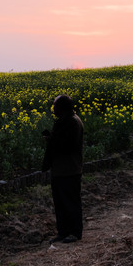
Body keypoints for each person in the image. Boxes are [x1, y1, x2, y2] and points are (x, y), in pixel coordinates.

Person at [42, 94, 84, 244]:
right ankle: (63, 231)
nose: (53, 109)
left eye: (55, 106)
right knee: (60, 203)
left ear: (62, 107)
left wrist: (51, 140)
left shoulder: (72, 122)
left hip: (70, 169)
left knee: (70, 202)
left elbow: (68, 145)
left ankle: (74, 232)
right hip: (61, 169)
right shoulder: (67, 120)